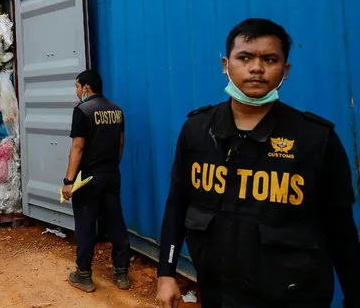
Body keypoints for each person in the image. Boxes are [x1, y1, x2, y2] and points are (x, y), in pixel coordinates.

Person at [156, 18, 360, 307]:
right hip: (219, 295)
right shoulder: (197, 130)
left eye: (270, 59)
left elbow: (341, 230)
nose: (256, 68)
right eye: (245, 57)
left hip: (293, 298)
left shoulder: (315, 139)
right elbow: (177, 204)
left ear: (284, 70)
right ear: (226, 64)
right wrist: (166, 271)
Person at [61, 70, 131, 292]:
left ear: (86, 88)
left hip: (87, 178)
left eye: (77, 87)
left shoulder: (82, 111)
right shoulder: (117, 110)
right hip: (111, 175)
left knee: (85, 225)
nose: (76, 91)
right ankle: (122, 274)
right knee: (116, 223)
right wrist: (111, 168)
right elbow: (120, 144)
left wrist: (69, 181)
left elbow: (78, 147)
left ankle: (83, 275)